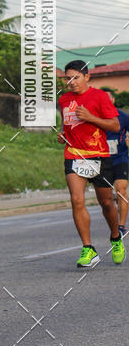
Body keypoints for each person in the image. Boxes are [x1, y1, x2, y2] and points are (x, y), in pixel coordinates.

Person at [58, 61, 124, 268]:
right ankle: (88, 248)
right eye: (67, 78)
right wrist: (63, 134)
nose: (71, 82)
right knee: (77, 200)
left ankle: (115, 237)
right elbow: (67, 124)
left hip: (99, 155)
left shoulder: (100, 97)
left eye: (75, 77)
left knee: (106, 203)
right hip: (74, 154)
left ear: (87, 77)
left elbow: (115, 125)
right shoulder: (64, 99)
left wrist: (91, 117)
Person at [100, 88, 129, 236]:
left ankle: (122, 226)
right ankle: (113, 225)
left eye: (108, 99)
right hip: (101, 160)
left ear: (113, 101)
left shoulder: (123, 117)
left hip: (120, 158)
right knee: (106, 198)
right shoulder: (94, 118)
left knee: (121, 190)